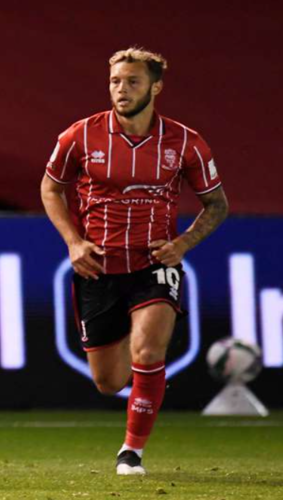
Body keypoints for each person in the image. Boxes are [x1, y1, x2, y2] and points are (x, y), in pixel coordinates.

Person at [40, 47, 228, 475]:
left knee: (148, 349)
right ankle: (136, 343)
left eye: (132, 82)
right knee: (108, 382)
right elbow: (50, 188)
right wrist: (73, 242)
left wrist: (183, 244)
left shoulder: (185, 142)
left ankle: (132, 452)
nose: (121, 90)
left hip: (154, 263)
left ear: (156, 87)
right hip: (98, 267)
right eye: (115, 82)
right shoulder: (79, 136)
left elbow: (217, 204)